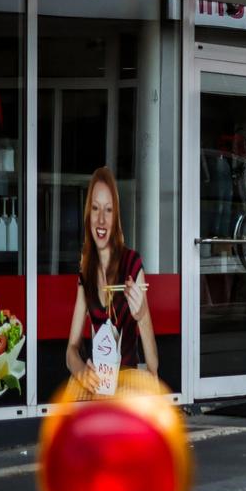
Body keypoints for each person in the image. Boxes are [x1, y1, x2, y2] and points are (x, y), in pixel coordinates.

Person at [65, 166, 159, 395]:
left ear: (115, 216)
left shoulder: (132, 263)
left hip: (128, 378)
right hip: (98, 379)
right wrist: (80, 370)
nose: (101, 219)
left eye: (108, 210)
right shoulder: (85, 271)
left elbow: (154, 365)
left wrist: (142, 314)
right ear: (88, 214)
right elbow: (71, 349)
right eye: (95, 208)